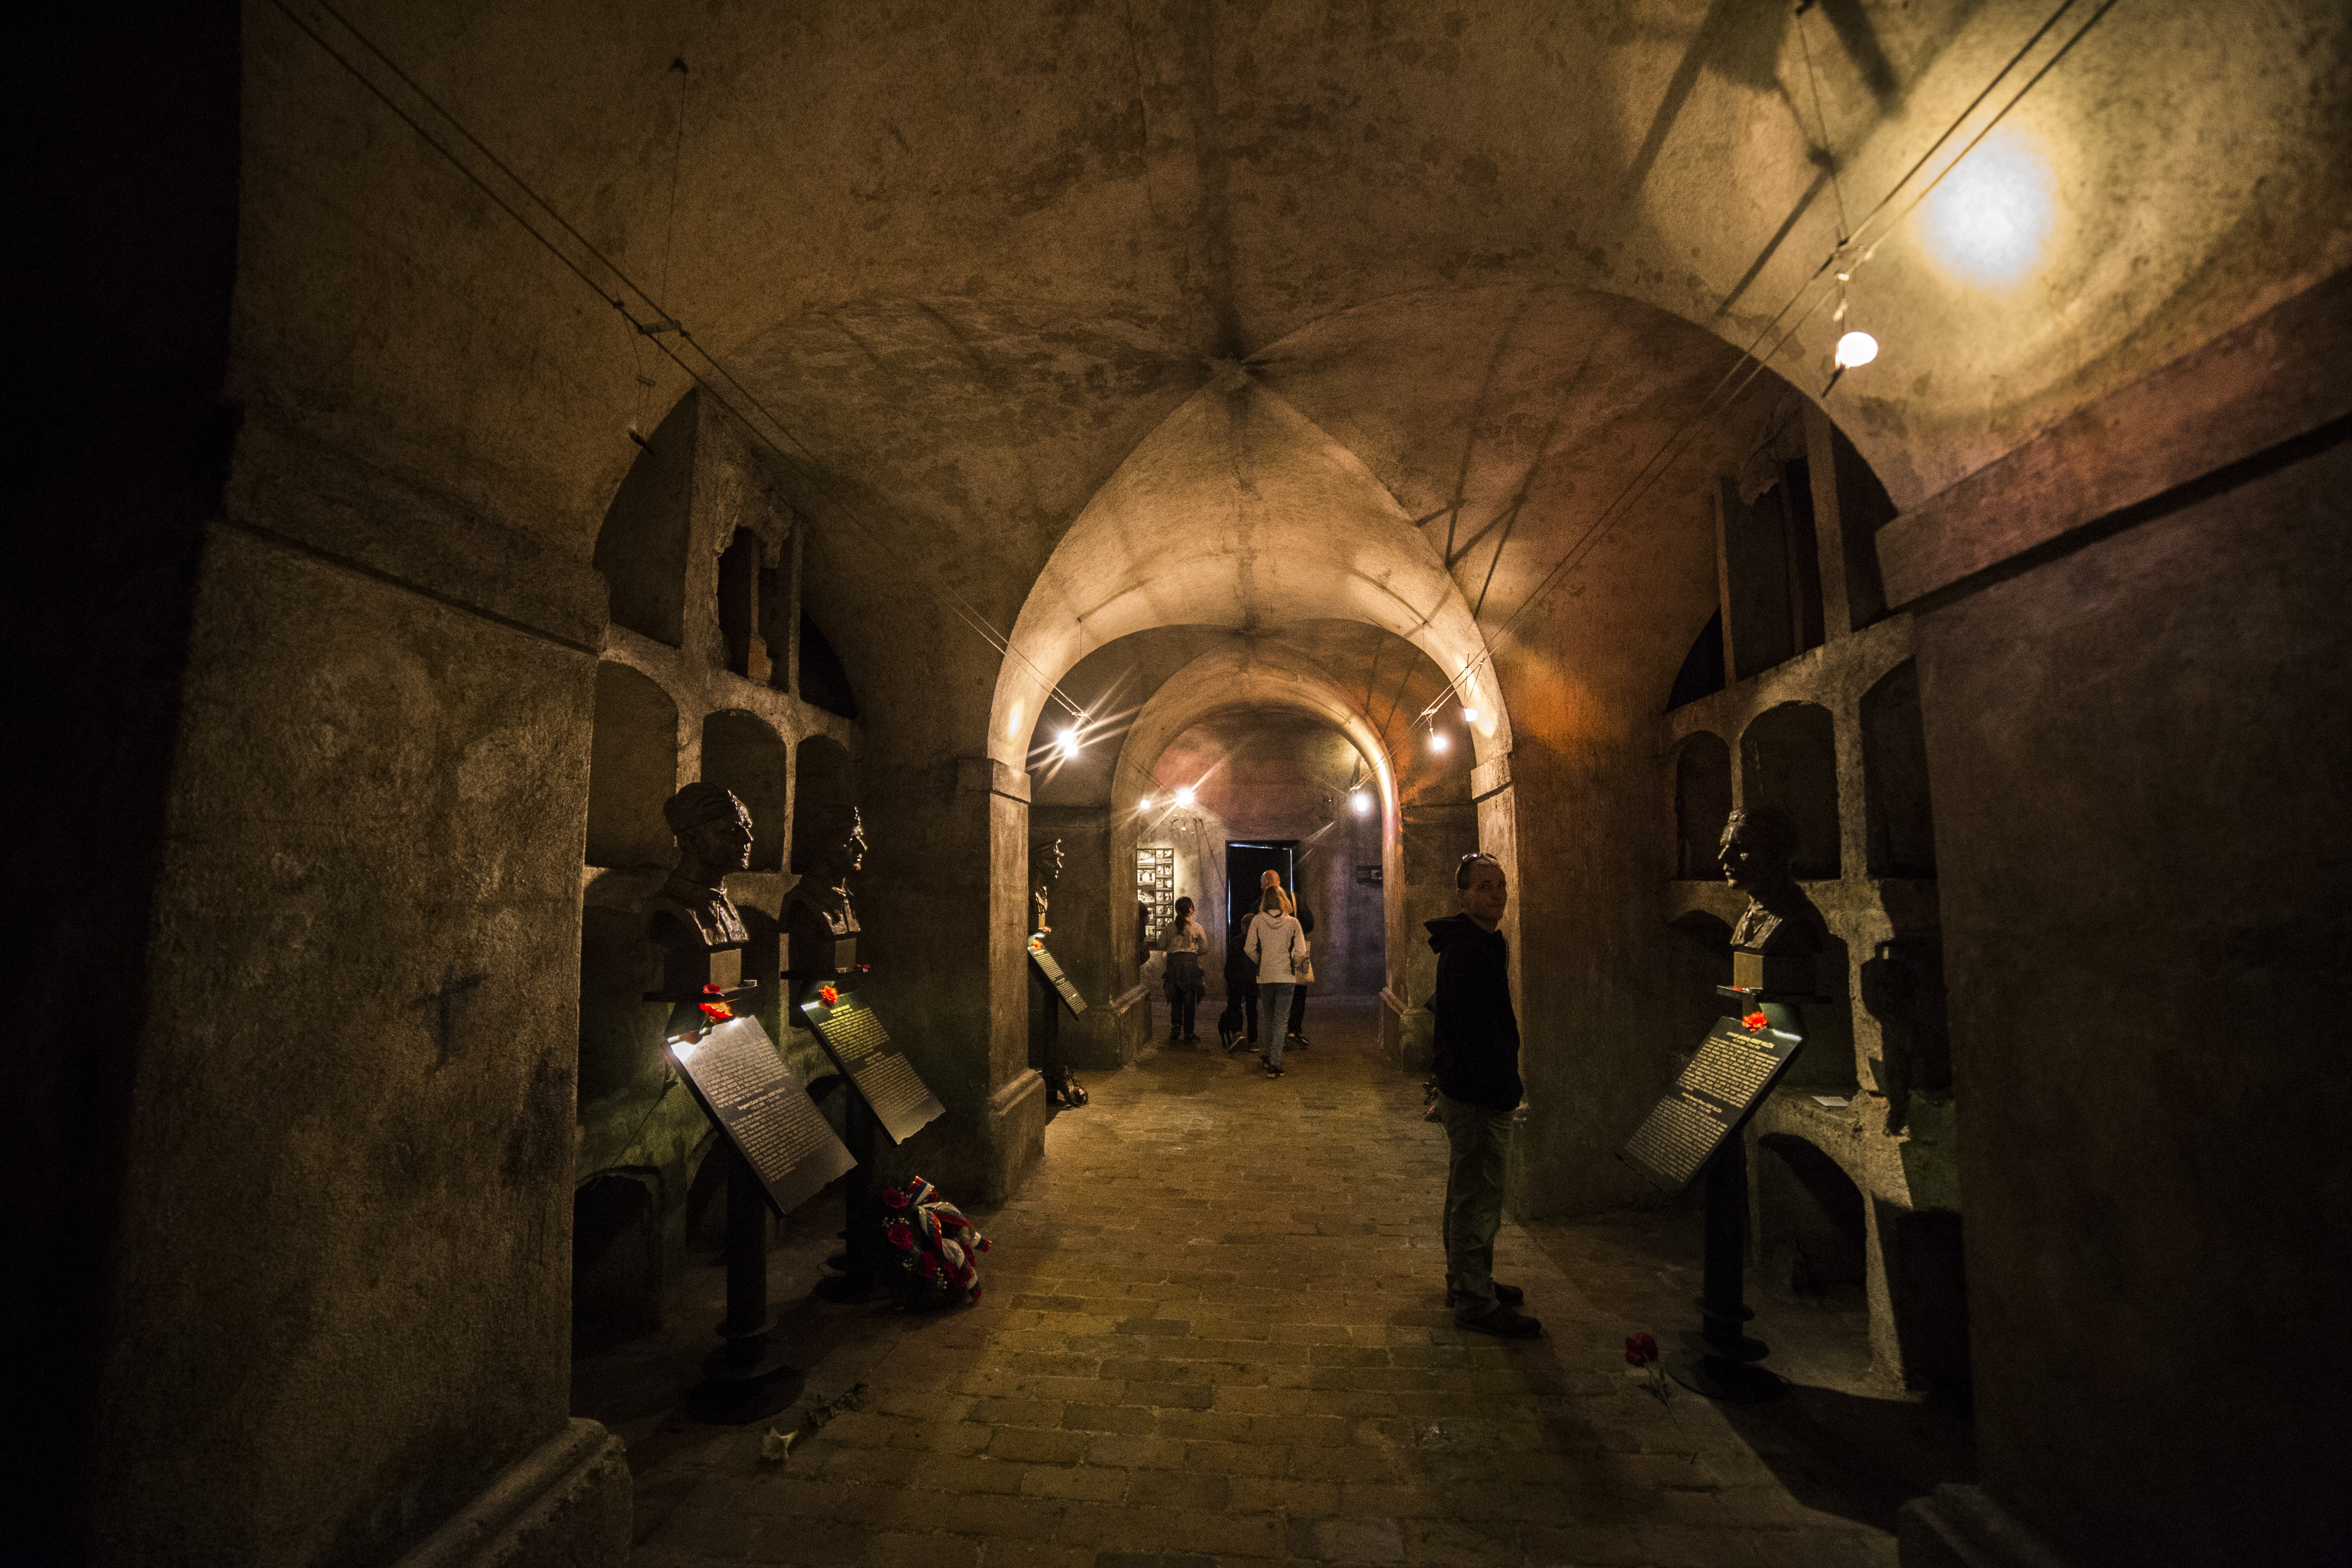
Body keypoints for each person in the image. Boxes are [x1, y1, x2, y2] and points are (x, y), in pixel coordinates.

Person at [1426, 852, 1540, 1338]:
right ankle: (1475, 1300)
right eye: (1484, 886)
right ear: (1463, 896)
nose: (1496, 894)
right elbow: (1474, 1034)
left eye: (1500, 884)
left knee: (1467, 1190)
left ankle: (1467, 1280)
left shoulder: (1485, 942)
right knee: (1479, 1197)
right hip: (1478, 1095)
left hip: (1473, 1089)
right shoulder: (1466, 952)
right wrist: (1499, 1089)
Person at [1242, 885, 1308, 1078]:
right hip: (1285, 976)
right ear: (1283, 901)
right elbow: (1301, 951)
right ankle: (1275, 1064)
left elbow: (1249, 948)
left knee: (1268, 1017)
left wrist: (1260, 961)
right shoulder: (1293, 923)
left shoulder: (1257, 921)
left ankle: (1266, 1054)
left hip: (1265, 975)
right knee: (1281, 1020)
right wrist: (1293, 962)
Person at [1158, 895, 1208, 1044]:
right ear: (1190, 910)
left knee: (1176, 997)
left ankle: (1176, 1028)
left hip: (1173, 966)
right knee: (1189, 999)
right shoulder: (1196, 927)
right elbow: (1205, 948)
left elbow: (1161, 945)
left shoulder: (1169, 927)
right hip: (1190, 967)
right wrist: (1193, 953)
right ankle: (1188, 1033)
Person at [1223, 908, 1259, 1052]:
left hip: (1237, 980)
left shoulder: (1236, 941)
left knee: (1234, 1006)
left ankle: (1237, 1033)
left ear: (1243, 926)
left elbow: (1230, 963)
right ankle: (1253, 1042)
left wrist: (1228, 979)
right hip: (1253, 980)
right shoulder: (1259, 942)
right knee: (1252, 1010)